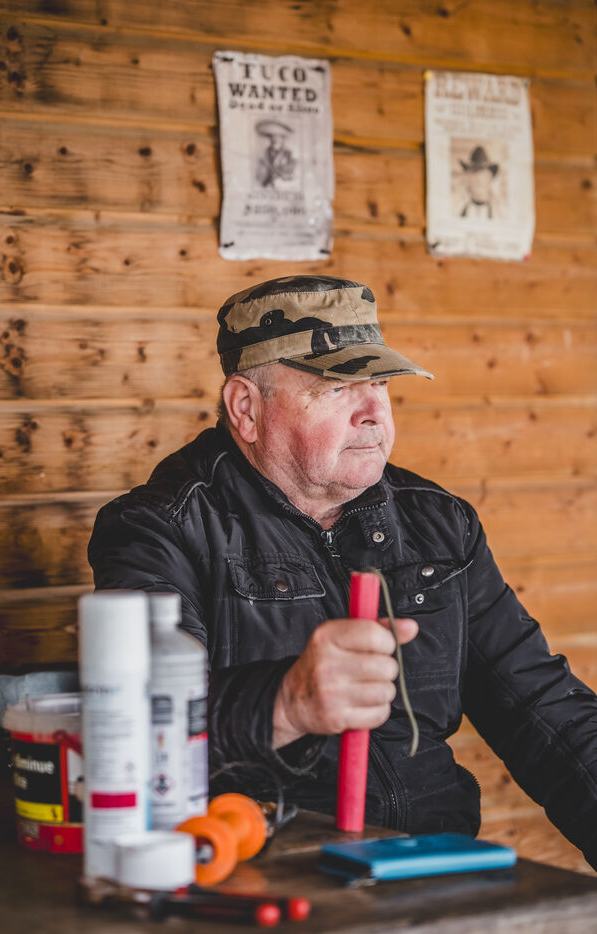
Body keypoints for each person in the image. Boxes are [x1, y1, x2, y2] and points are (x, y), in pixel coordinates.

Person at [89, 275, 597, 869]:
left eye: (380, 383)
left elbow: (541, 708)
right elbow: (142, 728)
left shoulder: (439, 523)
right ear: (246, 408)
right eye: (337, 387)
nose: (373, 413)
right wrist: (287, 702)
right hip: (264, 871)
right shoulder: (160, 528)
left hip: (433, 863)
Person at [458, 145, 499, 219]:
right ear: (468, 178)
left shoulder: (500, 211)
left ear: (490, 179)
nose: (479, 181)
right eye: (475, 174)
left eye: (484, 176)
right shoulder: (457, 206)